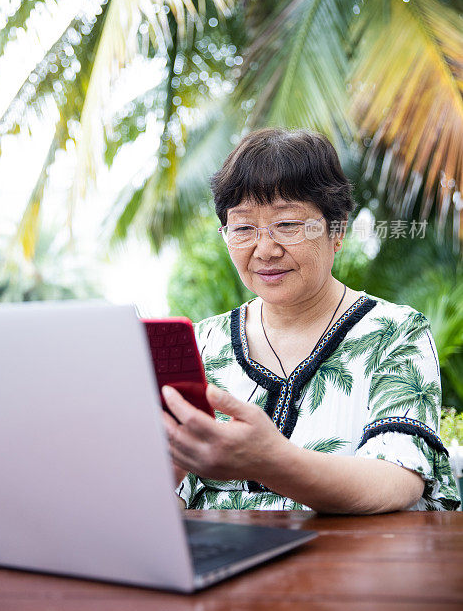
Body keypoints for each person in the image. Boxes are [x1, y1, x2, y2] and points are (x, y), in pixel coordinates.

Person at [162, 128, 461, 513]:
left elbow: (398, 481)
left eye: (287, 225)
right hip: (220, 563)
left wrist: (272, 461)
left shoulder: (395, 333)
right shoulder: (200, 344)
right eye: (243, 228)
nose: (265, 250)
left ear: (337, 230)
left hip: (350, 566)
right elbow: (164, 497)